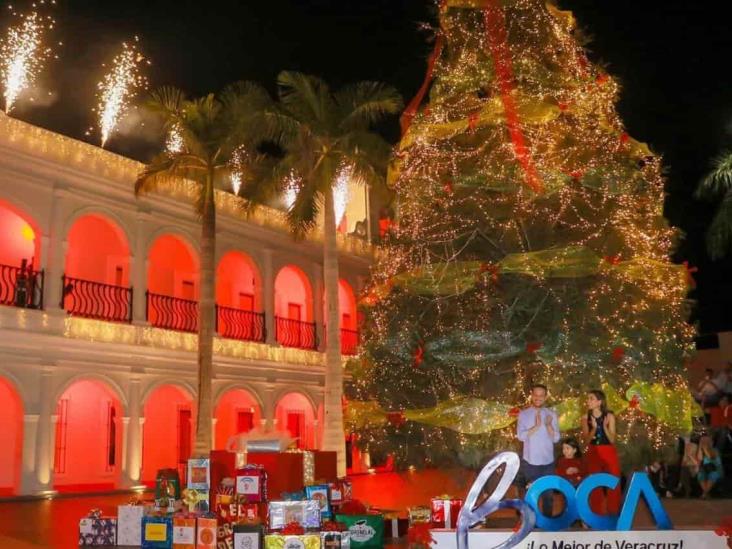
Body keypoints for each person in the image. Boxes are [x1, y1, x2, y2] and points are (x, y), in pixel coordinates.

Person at [517, 384, 560, 516]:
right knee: (532, 495)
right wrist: (536, 427)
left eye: (541, 395)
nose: (538, 398)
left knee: (548, 495)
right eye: (536, 394)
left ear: (545, 397)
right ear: (532, 395)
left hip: (548, 462)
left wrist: (548, 426)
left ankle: (547, 525)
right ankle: (530, 524)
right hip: (530, 463)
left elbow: (556, 439)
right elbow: (521, 436)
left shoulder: (551, 414)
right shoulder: (524, 414)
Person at [581, 389, 622, 515]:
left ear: (599, 402)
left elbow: (612, 439)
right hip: (593, 451)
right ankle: (596, 512)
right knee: (594, 481)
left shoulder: (609, 416)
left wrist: (604, 426)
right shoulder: (585, 417)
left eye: (591, 398)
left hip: (608, 450)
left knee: (614, 480)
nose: (588, 401)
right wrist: (594, 428)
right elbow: (587, 440)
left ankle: (613, 511)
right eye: (587, 398)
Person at [697, 435, 723, 499]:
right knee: (700, 475)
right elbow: (699, 458)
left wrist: (705, 448)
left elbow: (710, 457)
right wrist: (700, 448)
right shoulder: (701, 450)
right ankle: (706, 493)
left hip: (716, 469)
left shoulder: (715, 450)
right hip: (706, 469)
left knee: (713, 475)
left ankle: (704, 493)